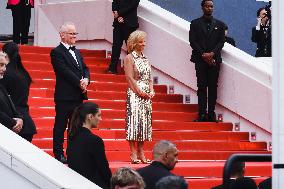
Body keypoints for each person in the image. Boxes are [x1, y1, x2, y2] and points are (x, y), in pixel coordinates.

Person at [50, 21, 90, 163]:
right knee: (60, 126)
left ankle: (73, 152)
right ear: (62, 35)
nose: (74, 36)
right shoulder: (56, 52)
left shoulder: (77, 52)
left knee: (76, 127)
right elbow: (63, 71)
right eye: (71, 33)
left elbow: (85, 68)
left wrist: (86, 79)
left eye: (75, 33)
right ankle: (59, 153)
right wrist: (80, 83)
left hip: (78, 96)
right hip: (64, 96)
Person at [189, 0, 225, 122]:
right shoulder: (194, 23)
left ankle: (211, 114)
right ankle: (202, 114)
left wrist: (212, 54)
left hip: (214, 60)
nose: (209, 8)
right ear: (202, 7)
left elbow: (221, 42)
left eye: (211, 6)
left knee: (213, 87)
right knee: (202, 87)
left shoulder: (220, 25)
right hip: (200, 59)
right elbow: (193, 41)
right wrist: (204, 55)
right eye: (207, 6)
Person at [124, 30, 154, 164]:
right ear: (134, 43)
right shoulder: (129, 58)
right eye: (141, 42)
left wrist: (152, 91)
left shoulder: (146, 58)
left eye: (144, 42)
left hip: (147, 95)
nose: (143, 44)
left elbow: (150, 78)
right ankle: (133, 153)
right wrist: (140, 92)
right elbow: (130, 79)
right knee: (134, 123)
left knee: (144, 124)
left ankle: (142, 152)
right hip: (135, 94)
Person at [67, 102, 112, 189]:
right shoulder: (94, 140)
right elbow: (104, 169)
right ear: (90, 117)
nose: (100, 119)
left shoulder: (72, 138)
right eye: (98, 115)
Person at [0, 42, 36, 142]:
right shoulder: (23, 73)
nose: (3, 69)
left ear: (5, 54)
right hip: (24, 121)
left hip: (14, 124)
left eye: (4, 65)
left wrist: (15, 121)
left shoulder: (6, 74)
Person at [107, 0, 140, 74]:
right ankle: (112, 68)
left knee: (130, 48)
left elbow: (133, 5)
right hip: (118, 23)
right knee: (116, 46)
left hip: (130, 24)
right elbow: (114, 2)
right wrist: (116, 13)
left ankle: (130, 71)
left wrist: (119, 13)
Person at [0, 51, 23, 134]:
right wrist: (14, 123)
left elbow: (11, 107)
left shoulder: (1, 86)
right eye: (1, 65)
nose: (4, 69)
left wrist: (20, 119)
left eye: (5, 65)